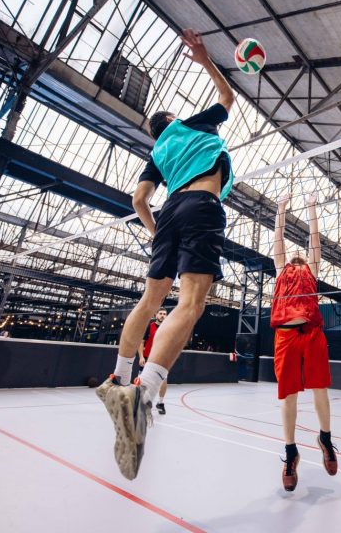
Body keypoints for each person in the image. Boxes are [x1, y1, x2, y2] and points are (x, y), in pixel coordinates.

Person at [95, 28, 235, 480]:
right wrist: (205, 59)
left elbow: (139, 200)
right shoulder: (190, 125)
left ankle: (118, 379)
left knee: (149, 301)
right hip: (200, 205)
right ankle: (144, 392)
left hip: (169, 212)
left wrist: (158, 234)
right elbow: (228, 97)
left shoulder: (157, 152)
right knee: (191, 304)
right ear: (173, 119)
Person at [271, 193, 337, 491]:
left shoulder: (311, 270)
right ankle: (290, 452)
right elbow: (278, 239)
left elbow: (315, 240)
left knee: (320, 388)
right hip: (286, 335)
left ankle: (325, 438)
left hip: (311, 333)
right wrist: (280, 210)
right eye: (293, 256)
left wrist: (312, 207)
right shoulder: (281, 270)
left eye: (302, 255)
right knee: (288, 395)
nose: (297, 256)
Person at [139, 307, 169, 414]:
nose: (162, 315)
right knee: (143, 382)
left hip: (162, 359)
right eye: (160, 313)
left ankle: (160, 402)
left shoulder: (169, 328)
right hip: (148, 358)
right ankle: (141, 402)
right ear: (156, 315)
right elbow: (141, 342)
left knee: (164, 381)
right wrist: (141, 357)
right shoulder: (149, 326)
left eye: (164, 314)